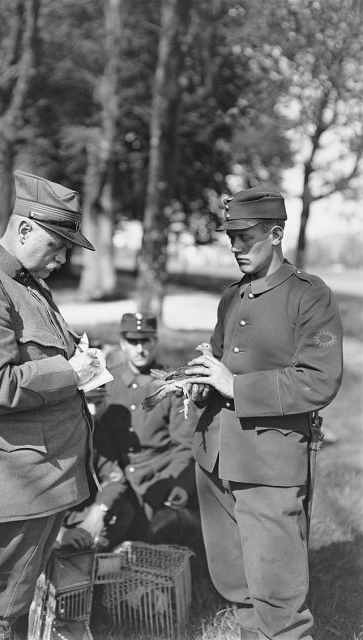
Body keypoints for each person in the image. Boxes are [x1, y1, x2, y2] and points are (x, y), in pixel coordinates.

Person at [0, 169, 105, 640]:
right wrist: (71, 374)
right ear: (24, 228)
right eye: (55, 245)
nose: (62, 257)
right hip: (12, 487)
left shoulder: (27, 285)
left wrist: (81, 368)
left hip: (36, 480)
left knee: (12, 606)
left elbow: (41, 362)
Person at [183, 187, 343, 639]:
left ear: (276, 234)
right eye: (230, 236)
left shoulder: (309, 296)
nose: (235, 247)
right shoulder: (232, 295)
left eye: (246, 237)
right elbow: (217, 358)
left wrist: (235, 386)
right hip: (216, 454)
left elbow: (319, 379)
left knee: (277, 590)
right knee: (236, 577)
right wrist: (199, 382)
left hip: (270, 462)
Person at [98, 312, 201, 547]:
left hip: (158, 482)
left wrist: (179, 485)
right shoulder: (106, 383)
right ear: (123, 344)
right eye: (133, 342)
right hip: (116, 481)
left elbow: (186, 445)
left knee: (156, 545)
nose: (140, 349)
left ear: (154, 341)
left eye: (145, 341)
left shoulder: (172, 383)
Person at [56, 387, 136, 552]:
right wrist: (60, 533)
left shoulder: (95, 430)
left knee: (124, 511)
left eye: (98, 402)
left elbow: (114, 479)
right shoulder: (53, 432)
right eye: (86, 401)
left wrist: (99, 511)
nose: (91, 410)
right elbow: (26, 496)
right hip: (47, 519)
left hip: (79, 512)